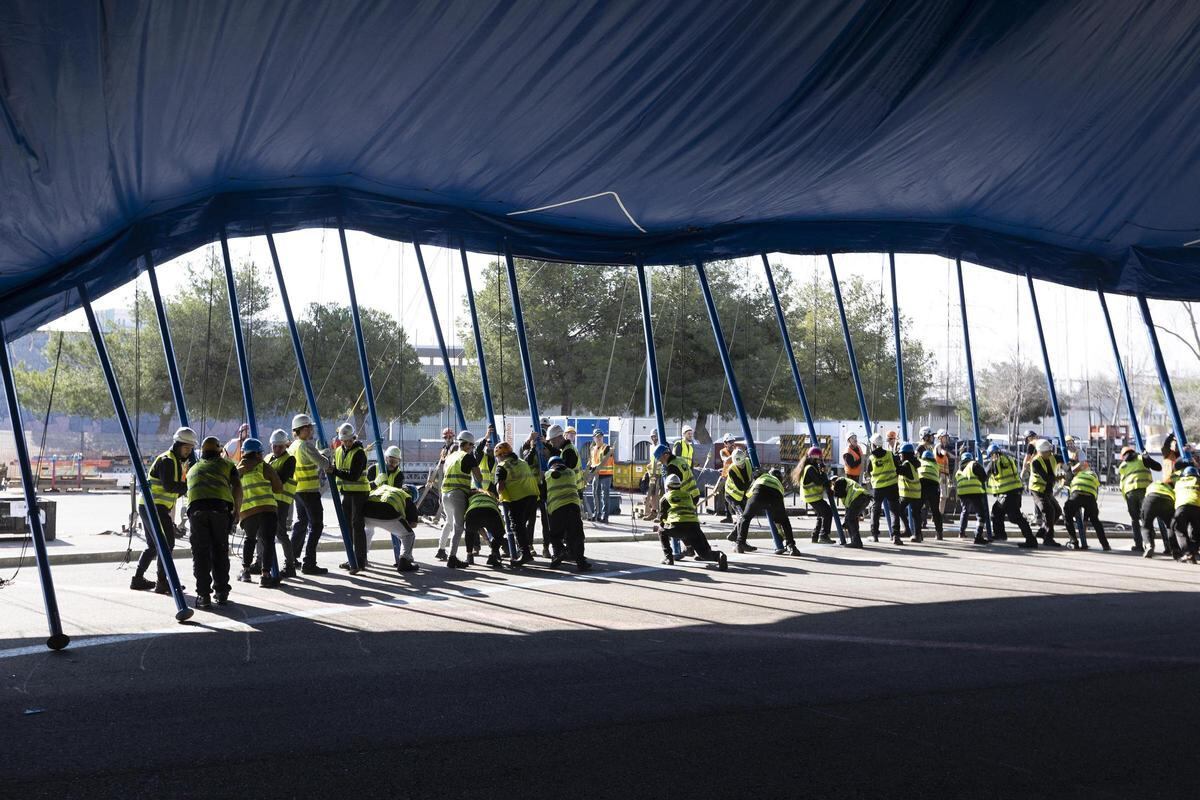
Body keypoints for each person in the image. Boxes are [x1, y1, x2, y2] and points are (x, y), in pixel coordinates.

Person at [130, 426, 196, 593]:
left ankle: (138, 579)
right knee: (167, 544)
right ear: (177, 444)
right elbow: (169, 486)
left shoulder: (175, 460)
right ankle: (162, 582)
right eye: (186, 448)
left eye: (190, 449)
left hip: (151, 506)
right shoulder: (167, 460)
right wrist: (190, 486)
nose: (188, 452)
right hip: (155, 506)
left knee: (153, 545)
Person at [186, 436, 242, 609]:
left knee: (201, 553)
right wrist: (237, 511)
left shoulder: (193, 468)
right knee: (220, 550)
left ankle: (203, 595)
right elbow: (237, 487)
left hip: (196, 510)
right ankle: (221, 592)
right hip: (219, 509)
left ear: (202, 452)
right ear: (219, 451)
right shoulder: (227, 465)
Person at [288, 413, 333, 575]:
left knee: (301, 523)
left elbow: (309, 457)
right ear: (304, 429)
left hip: (298, 490)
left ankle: (291, 558)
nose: (312, 429)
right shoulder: (306, 445)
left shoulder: (294, 446)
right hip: (309, 491)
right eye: (310, 427)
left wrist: (319, 452)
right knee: (316, 526)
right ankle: (309, 562)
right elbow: (324, 464)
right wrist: (327, 456)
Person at [236, 438, 284, 587]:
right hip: (267, 510)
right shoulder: (265, 467)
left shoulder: (238, 470)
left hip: (248, 513)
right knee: (268, 542)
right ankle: (265, 575)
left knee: (250, 540)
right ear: (257, 454)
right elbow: (278, 488)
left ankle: (245, 572)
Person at [657, 473, 727, 570]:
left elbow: (662, 517)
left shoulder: (665, 498)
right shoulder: (688, 495)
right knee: (704, 554)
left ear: (667, 486)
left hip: (676, 527)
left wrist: (662, 524)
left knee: (661, 530)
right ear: (679, 485)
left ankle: (668, 558)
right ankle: (718, 555)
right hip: (694, 527)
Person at [437, 430, 483, 568]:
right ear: (468, 444)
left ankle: (441, 550)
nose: (472, 448)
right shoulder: (468, 457)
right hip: (458, 495)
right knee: (458, 527)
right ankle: (452, 557)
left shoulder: (451, 457)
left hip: (445, 494)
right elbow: (479, 478)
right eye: (472, 446)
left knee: (449, 523)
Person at [328, 422, 370, 573]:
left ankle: (360, 560)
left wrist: (334, 471)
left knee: (357, 525)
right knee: (348, 526)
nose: (347, 443)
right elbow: (336, 466)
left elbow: (353, 476)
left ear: (354, 438)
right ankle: (351, 558)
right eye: (344, 441)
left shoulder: (359, 453)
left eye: (349, 440)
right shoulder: (339, 450)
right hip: (346, 492)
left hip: (359, 493)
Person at [259, 429, 298, 578]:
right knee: (262, 532)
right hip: (268, 500)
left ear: (285, 446)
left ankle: (290, 565)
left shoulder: (289, 460)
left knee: (280, 533)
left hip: (281, 501)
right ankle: (260, 561)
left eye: (280, 446)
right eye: (274, 446)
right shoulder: (268, 458)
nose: (276, 449)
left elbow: (280, 479)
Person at [734, 467, 798, 555]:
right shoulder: (779, 483)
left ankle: (740, 544)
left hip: (759, 491)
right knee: (784, 521)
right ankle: (791, 546)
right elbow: (780, 504)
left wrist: (752, 505)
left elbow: (749, 493)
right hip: (775, 495)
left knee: (745, 518)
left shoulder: (763, 476)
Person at [496, 440, 540, 565]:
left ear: (502, 455)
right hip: (532, 497)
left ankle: (525, 554)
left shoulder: (502, 466)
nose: (497, 459)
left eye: (498, 457)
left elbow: (500, 487)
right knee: (522, 526)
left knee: (516, 526)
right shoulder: (522, 462)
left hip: (518, 499)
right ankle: (526, 550)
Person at [545, 455, 591, 571]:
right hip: (573, 507)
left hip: (557, 508)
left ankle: (559, 553)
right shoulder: (570, 472)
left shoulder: (548, 474)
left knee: (555, 535)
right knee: (576, 535)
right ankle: (581, 562)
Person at [986, 443, 1037, 547]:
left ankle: (1031, 540)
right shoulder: (1008, 459)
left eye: (990, 456)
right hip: (1015, 492)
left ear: (992, 454)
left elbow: (984, 474)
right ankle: (1001, 534)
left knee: (1014, 517)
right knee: (997, 512)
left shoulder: (995, 461)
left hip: (1007, 494)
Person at [364, 480, 420, 572]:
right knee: (409, 535)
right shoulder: (407, 497)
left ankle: (361, 558)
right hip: (387, 512)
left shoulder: (385, 488)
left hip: (366, 512)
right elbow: (413, 524)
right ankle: (404, 561)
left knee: (367, 530)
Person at [1117, 446, 1160, 552]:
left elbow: (1122, 484)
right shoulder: (1142, 458)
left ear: (1123, 456)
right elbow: (1158, 467)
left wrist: (1126, 497)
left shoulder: (1122, 466)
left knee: (1134, 520)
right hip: (1145, 491)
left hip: (1130, 493)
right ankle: (1150, 544)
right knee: (1146, 519)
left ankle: (1138, 545)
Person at [1062, 457, 1109, 551]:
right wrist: (1086, 519)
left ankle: (1073, 541)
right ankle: (1105, 545)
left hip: (1076, 495)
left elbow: (1067, 483)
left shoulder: (1076, 474)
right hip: (1090, 497)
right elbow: (1095, 493)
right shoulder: (1093, 475)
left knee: (1067, 516)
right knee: (1095, 521)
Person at [865, 433, 902, 543]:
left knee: (875, 511)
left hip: (878, 488)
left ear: (874, 445)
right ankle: (896, 536)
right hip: (892, 486)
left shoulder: (871, 458)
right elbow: (898, 467)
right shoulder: (890, 454)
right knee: (894, 511)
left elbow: (868, 473)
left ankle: (875, 535)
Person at [793, 447, 832, 544]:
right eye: (818, 459)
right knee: (827, 513)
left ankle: (815, 536)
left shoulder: (810, 467)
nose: (820, 461)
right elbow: (819, 481)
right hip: (812, 497)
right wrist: (823, 472)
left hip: (813, 497)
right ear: (814, 458)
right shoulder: (810, 468)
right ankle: (823, 535)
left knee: (821, 515)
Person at [1027, 439, 1063, 547]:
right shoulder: (1036, 462)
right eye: (1047, 452)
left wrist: (1070, 462)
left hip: (1047, 490)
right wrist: (1060, 477)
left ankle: (1043, 531)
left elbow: (1064, 458)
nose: (1049, 453)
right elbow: (1046, 478)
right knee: (1049, 511)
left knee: (1057, 511)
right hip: (1037, 490)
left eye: (1050, 451)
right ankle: (1048, 538)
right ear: (1039, 452)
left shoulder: (1052, 457)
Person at [1140, 464, 1179, 559]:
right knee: (1170, 526)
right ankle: (1174, 549)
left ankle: (1149, 545)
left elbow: (1145, 496)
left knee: (1146, 526)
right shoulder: (1171, 488)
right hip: (1167, 500)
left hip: (1151, 499)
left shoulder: (1154, 484)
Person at [464, 487, 507, 569]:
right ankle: (493, 555)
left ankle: (469, 556)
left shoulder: (470, 498)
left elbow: (477, 527)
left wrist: (486, 538)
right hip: (491, 512)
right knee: (499, 534)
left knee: (469, 532)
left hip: (473, 512)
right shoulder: (489, 495)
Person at [954, 452, 989, 544]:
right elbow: (984, 477)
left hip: (962, 494)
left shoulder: (959, 470)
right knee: (981, 515)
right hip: (975, 492)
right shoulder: (974, 464)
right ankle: (978, 536)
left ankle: (961, 532)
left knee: (965, 511)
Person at [1172, 465, 1200, 564]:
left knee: (1179, 530)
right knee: (1196, 531)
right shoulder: (1198, 480)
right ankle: (1194, 551)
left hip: (1181, 507)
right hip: (1197, 507)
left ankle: (1188, 553)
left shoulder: (1178, 482)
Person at [829, 476, 866, 548]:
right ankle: (855, 541)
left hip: (857, 498)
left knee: (850, 520)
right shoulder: (847, 482)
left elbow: (842, 495)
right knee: (852, 519)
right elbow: (847, 506)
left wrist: (832, 491)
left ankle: (856, 542)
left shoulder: (839, 482)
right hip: (864, 497)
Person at [722, 448, 753, 535]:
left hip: (742, 495)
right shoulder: (732, 470)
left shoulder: (748, 461)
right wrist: (751, 480)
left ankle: (735, 534)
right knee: (742, 515)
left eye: (742, 464)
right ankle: (739, 539)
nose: (741, 466)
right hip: (731, 495)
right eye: (739, 465)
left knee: (745, 517)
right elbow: (741, 487)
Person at [587, 430, 614, 523]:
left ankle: (605, 516)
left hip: (606, 475)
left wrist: (594, 467)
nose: (599, 438)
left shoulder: (607, 448)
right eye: (597, 437)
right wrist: (589, 470)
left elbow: (604, 461)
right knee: (595, 494)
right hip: (596, 475)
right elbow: (592, 462)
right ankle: (596, 514)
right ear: (593, 438)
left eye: (600, 436)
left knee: (604, 496)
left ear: (602, 437)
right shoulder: (592, 449)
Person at [896, 443, 921, 541]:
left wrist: (894, 462)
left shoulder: (907, 464)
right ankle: (917, 535)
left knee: (898, 510)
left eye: (901, 454)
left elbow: (898, 470)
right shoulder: (914, 462)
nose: (900, 456)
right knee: (916, 514)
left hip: (908, 493)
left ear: (906, 454)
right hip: (916, 492)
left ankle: (908, 530)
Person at [917, 449, 944, 540]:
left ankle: (918, 533)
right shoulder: (936, 465)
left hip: (922, 485)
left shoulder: (920, 461)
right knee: (935, 511)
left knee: (918, 509)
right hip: (934, 486)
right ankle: (939, 533)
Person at [715, 433, 739, 522]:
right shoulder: (723, 451)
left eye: (733, 441)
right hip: (726, 476)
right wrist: (735, 454)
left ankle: (737, 515)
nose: (732, 443)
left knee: (735, 497)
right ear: (725, 443)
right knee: (726, 497)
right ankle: (728, 516)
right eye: (730, 442)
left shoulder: (736, 450)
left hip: (735, 477)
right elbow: (725, 459)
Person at [642, 431, 663, 522]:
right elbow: (652, 460)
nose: (654, 438)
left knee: (660, 494)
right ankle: (654, 511)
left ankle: (661, 513)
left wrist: (658, 464)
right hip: (652, 474)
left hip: (661, 474)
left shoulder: (662, 446)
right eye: (652, 437)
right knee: (653, 493)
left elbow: (663, 459)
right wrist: (649, 466)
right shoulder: (651, 447)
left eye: (655, 436)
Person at [934, 430, 955, 515]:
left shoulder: (942, 447)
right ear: (940, 438)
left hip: (944, 474)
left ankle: (940, 513)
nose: (947, 439)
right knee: (943, 496)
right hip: (940, 474)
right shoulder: (939, 446)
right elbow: (943, 453)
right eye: (945, 437)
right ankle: (939, 514)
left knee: (944, 496)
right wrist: (954, 456)